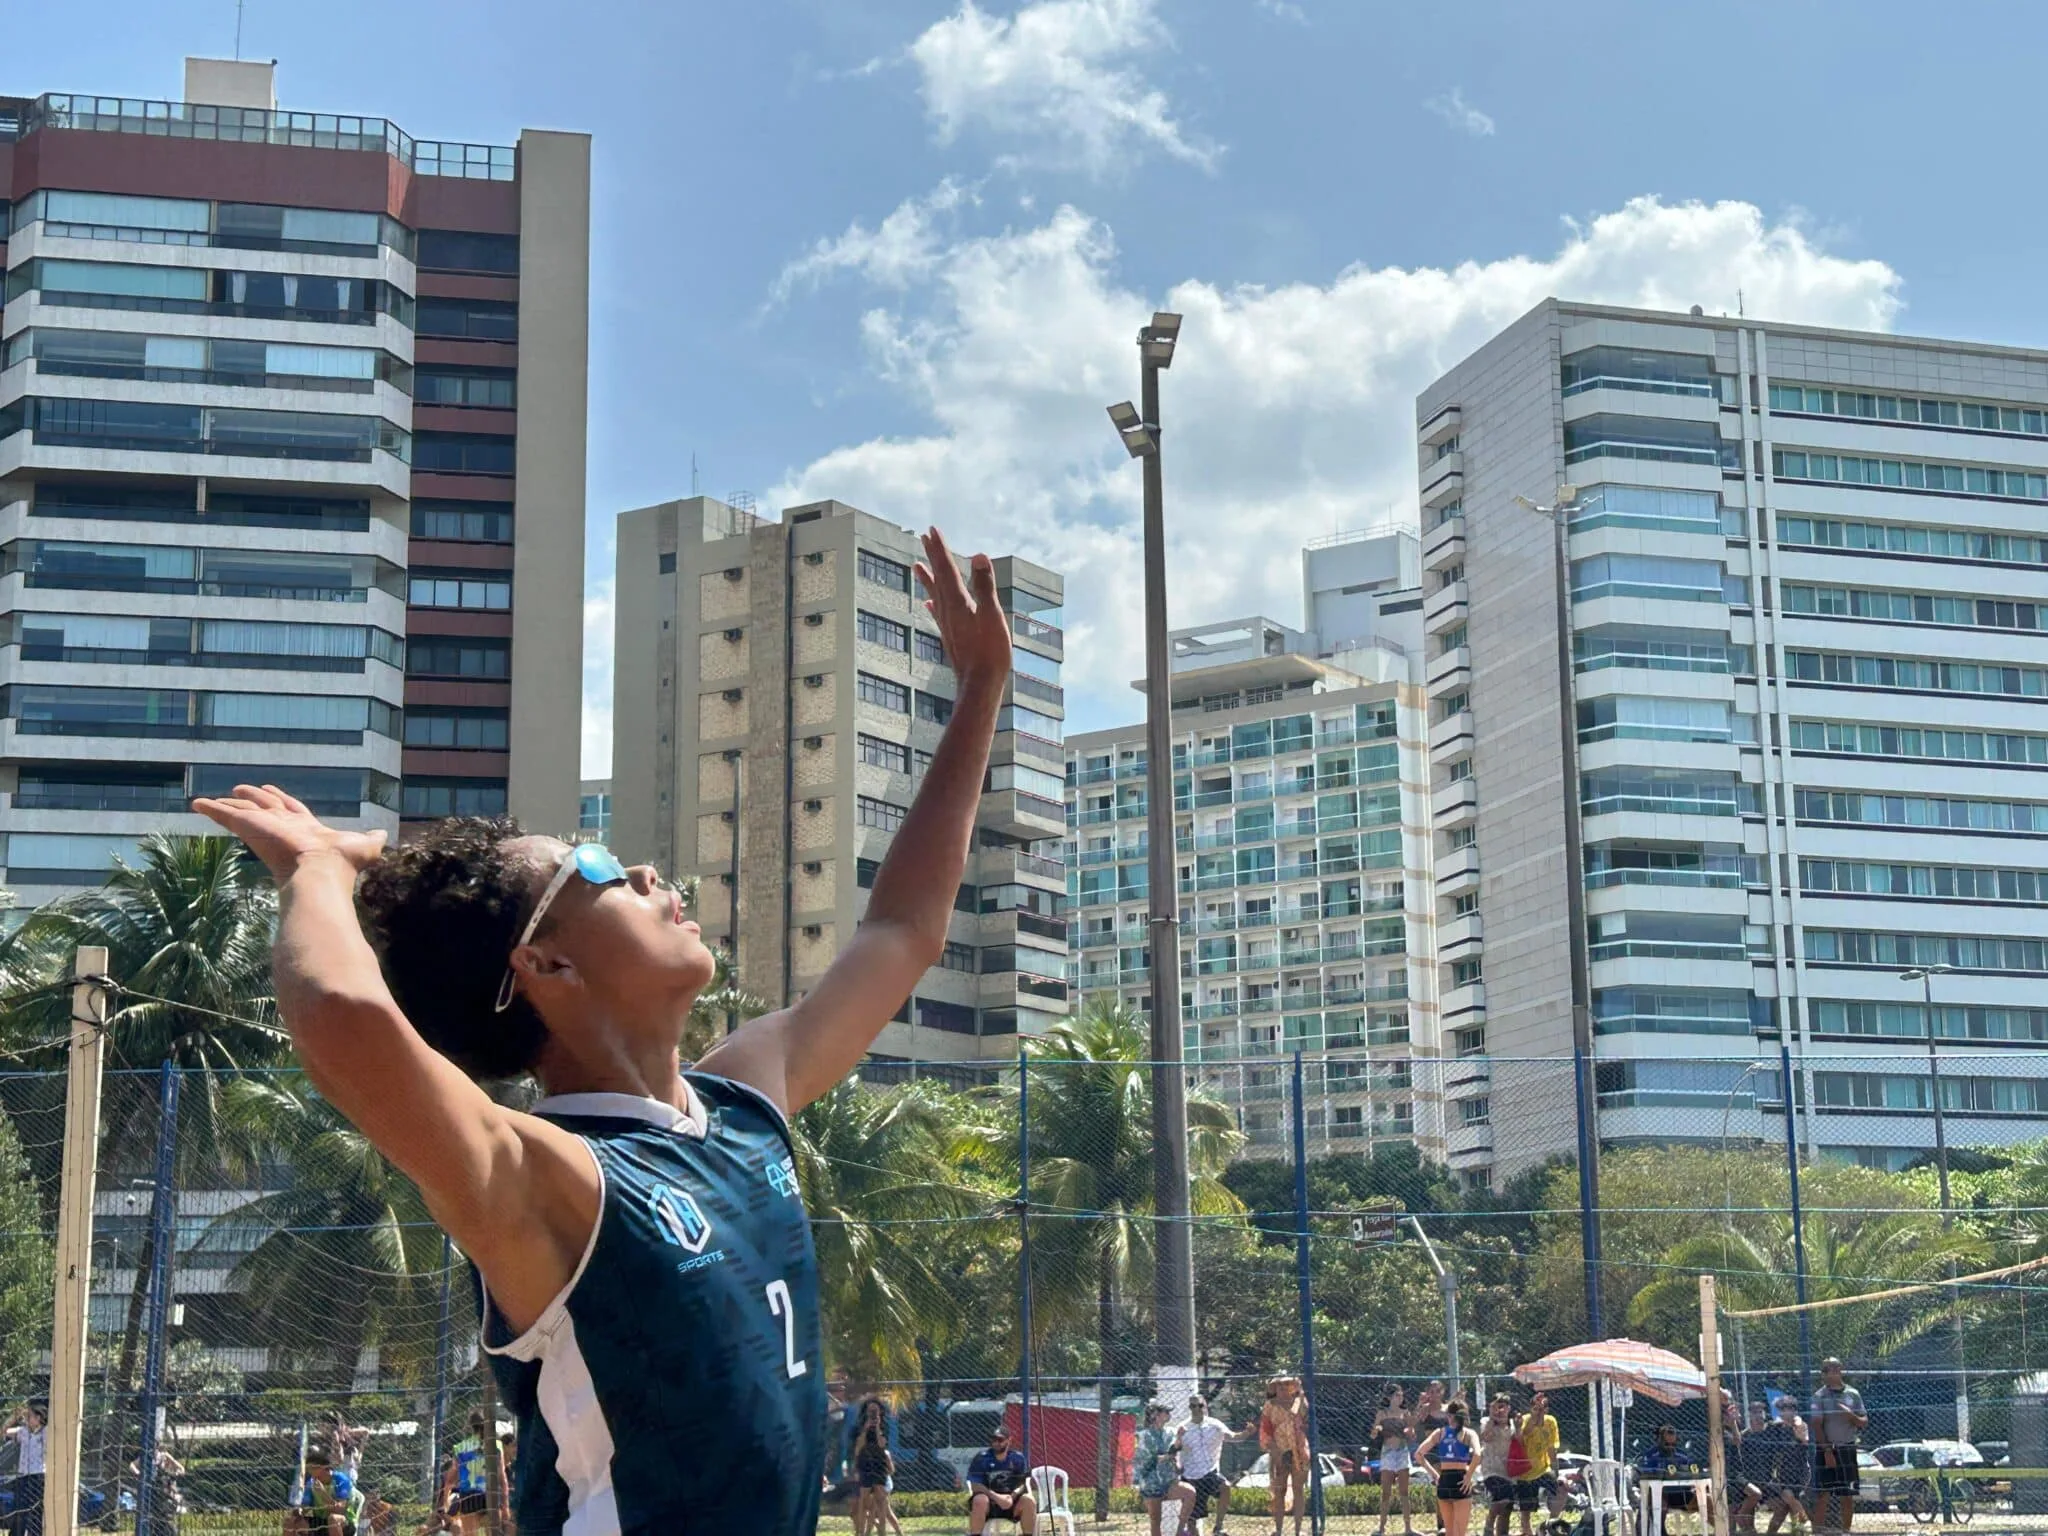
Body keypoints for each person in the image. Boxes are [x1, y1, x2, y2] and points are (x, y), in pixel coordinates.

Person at [191, 529, 1013, 1536]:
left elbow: (901, 929)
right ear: (545, 967)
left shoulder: (741, 1100)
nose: (649, 877)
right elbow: (346, 1016)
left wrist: (978, 686)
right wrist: (319, 867)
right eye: (600, 870)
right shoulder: (552, 1180)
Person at [1173, 1395, 1248, 1536]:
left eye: (1200, 1405)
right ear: (1189, 1408)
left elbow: (1232, 1437)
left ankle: (1218, 1527)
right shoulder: (1183, 1427)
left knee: (1225, 1487)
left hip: (1209, 1472)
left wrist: (1246, 1433)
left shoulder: (1215, 1424)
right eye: (1193, 1406)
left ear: (1205, 1406)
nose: (1196, 1409)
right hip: (1190, 1476)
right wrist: (1178, 1437)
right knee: (1191, 1521)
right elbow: (1174, 1449)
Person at [1808, 1360, 1866, 1536]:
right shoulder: (1819, 1396)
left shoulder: (1853, 1394)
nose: (1824, 1374)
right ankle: (1817, 1532)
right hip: (1826, 1450)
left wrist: (1850, 1415)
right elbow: (1816, 1425)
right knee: (1823, 1494)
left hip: (1847, 1449)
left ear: (1838, 1371)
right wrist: (1827, 1451)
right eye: (1823, 1371)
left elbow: (1863, 1422)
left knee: (1847, 1493)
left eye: (1828, 1370)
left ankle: (1845, 1532)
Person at [1744, 1397, 1811, 1536]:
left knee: (1789, 1498)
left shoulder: (1797, 1426)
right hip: (1782, 1473)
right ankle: (1798, 1528)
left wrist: (1797, 1422)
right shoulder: (1776, 1429)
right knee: (1789, 1500)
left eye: (1790, 1409)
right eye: (1783, 1410)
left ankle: (1803, 1522)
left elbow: (1803, 1437)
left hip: (1799, 1470)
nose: (1786, 1413)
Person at [1417, 1400, 1481, 1536]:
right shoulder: (1469, 1433)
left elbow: (1418, 1454)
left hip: (1444, 1481)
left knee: (1449, 1532)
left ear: (1449, 1416)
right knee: (1459, 1533)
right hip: (1461, 1481)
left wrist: (1435, 1475)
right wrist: (1468, 1476)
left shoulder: (1439, 1433)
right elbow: (1477, 1454)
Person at [1136, 1403, 1196, 1536]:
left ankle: (1180, 1531)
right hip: (1152, 1484)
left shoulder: (1170, 1431)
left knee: (1190, 1493)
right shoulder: (1145, 1435)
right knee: (1156, 1521)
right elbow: (1152, 1458)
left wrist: (1179, 1437)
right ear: (1155, 1415)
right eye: (1166, 1412)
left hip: (1169, 1481)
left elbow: (1175, 1448)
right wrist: (1169, 1455)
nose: (1169, 1414)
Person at [1261, 1376, 1311, 1536]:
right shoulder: (1269, 1406)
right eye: (1279, 1386)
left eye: (1287, 1385)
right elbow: (1265, 1430)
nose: (1283, 1389)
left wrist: (1300, 1394)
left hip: (1300, 1450)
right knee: (1279, 1490)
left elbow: (1306, 1420)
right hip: (1280, 1451)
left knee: (1298, 1490)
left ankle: (1298, 1530)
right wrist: (1274, 1450)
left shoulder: (1300, 1402)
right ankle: (1279, 1530)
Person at [1512, 1391, 1564, 1536]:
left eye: (1543, 1408)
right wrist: (1534, 1417)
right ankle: (1527, 1533)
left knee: (1562, 1488)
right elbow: (1522, 1438)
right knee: (1526, 1510)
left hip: (1543, 1468)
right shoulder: (1525, 1420)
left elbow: (1552, 1448)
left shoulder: (1551, 1421)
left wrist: (1557, 1471)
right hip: (1526, 1472)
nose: (1541, 1411)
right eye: (1536, 1407)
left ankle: (1551, 1524)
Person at [966, 1426, 1036, 1534]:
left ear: (1009, 1440)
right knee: (979, 1500)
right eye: (993, 1439)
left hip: (1012, 1503)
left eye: (1000, 1440)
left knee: (1029, 1500)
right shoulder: (982, 1458)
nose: (996, 1443)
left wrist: (1011, 1497)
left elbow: (1024, 1482)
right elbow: (975, 1485)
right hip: (989, 1504)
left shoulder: (1018, 1458)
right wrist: (996, 1497)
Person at [1637, 1425, 1703, 1536]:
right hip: (1663, 1495)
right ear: (1659, 1441)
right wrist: (1660, 1472)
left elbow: (1695, 1468)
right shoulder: (1650, 1455)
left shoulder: (1682, 1455)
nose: (1670, 1447)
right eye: (1667, 1444)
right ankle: (1660, 1532)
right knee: (1654, 1498)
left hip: (1683, 1494)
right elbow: (1644, 1471)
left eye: (1673, 1444)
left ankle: (1723, 1529)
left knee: (1707, 1498)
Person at [850, 1399, 904, 1536]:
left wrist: (878, 1427)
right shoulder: (861, 1425)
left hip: (879, 1465)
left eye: (875, 1410)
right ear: (866, 1412)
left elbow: (882, 1445)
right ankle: (861, 1532)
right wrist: (866, 1428)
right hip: (865, 1464)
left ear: (880, 1411)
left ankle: (882, 1532)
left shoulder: (884, 1425)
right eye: (870, 1411)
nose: (873, 1414)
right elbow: (858, 1447)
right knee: (863, 1500)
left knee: (881, 1501)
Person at [1373, 1384, 1417, 1536]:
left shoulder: (1405, 1413)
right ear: (1389, 1397)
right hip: (1387, 1452)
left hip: (1402, 1452)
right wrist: (1376, 1430)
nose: (1400, 1398)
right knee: (1386, 1492)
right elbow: (1373, 1434)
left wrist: (1409, 1430)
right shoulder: (1382, 1413)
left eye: (1401, 1395)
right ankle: (1381, 1528)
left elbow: (1412, 1435)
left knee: (1404, 1491)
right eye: (1397, 1395)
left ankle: (1408, 1528)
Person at [444, 1413, 497, 1536]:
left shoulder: (460, 1447)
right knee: (491, 1531)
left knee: (470, 1533)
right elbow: (501, 1475)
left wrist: (446, 1496)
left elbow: (452, 1476)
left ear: (470, 1426)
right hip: (489, 1492)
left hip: (469, 1492)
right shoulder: (495, 1445)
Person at [295, 1448, 367, 1536]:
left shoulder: (341, 1480)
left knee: (333, 1519)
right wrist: (299, 1511)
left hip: (344, 1522)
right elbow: (305, 1507)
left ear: (324, 1467)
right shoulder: (311, 1483)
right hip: (321, 1521)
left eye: (312, 1468)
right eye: (308, 1469)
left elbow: (340, 1510)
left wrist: (323, 1493)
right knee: (291, 1521)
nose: (310, 1472)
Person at [3, 1402, 46, 1536]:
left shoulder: (46, 1432)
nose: (26, 1419)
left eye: (30, 1416)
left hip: (38, 1476)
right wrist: (13, 1418)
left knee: (35, 1512)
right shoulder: (23, 1431)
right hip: (23, 1476)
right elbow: (3, 1432)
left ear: (38, 1418)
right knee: (19, 1510)